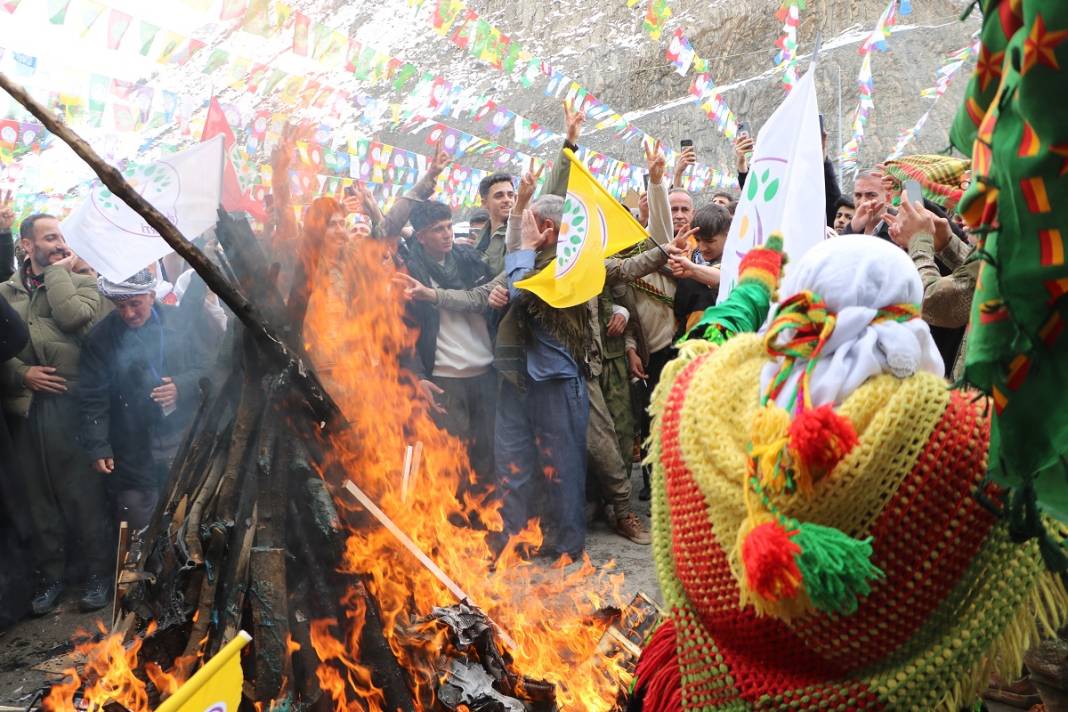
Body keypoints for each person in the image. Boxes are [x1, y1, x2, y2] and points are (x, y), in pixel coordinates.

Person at [628, 233, 1067, 711]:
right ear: (908, 308)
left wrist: (755, 281)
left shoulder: (706, 391)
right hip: (884, 699)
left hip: (714, 687)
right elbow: (1040, 472)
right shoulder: (957, 436)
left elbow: (713, 332)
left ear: (801, 299)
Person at [0, 214, 112, 615]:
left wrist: (59, 274)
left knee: (82, 494)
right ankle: (52, 577)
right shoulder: (5, 292)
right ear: (27, 245)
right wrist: (21, 373)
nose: (60, 243)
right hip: (26, 409)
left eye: (62, 237)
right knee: (38, 497)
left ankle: (99, 573)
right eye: (50, 238)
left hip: (70, 405)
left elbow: (76, 320)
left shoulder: (82, 283)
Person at [79, 269, 212, 532]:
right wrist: (98, 446)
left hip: (181, 433)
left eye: (135, 304)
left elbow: (210, 367)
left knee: (187, 509)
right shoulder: (100, 338)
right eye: (121, 306)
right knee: (135, 515)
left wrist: (182, 385)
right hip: (130, 442)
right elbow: (93, 396)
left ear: (151, 296)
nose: (128, 313)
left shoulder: (181, 323)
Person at [398, 200, 498, 504]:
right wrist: (417, 375)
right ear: (420, 236)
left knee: (487, 455)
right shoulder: (409, 272)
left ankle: (485, 524)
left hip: (484, 371)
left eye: (448, 226)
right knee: (451, 458)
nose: (446, 234)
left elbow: (486, 297)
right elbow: (403, 331)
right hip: (444, 378)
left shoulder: (471, 262)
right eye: (436, 229)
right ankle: (454, 525)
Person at [669, 203, 730, 334]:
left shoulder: (737, 260)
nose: (702, 247)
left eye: (709, 241)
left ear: (728, 235)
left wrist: (692, 271)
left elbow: (725, 277)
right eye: (698, 240)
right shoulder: (691, 257)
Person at [473, 172, 517, 274]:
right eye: (499, 196)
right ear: (484, 203)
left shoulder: (521, 233)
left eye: (510, 195)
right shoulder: (479, 239)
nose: (507, 200)